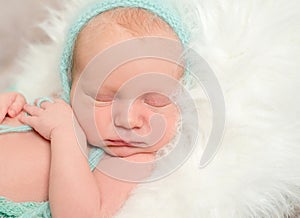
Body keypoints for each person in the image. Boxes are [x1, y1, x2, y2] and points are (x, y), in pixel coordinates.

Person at [0, 0, 190, 217]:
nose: (127, 120)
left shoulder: (130, 160)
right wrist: (10, 102)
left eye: (154, 100)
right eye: (104, 98)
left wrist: (65, 134)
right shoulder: (59, 106)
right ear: (70, 85)